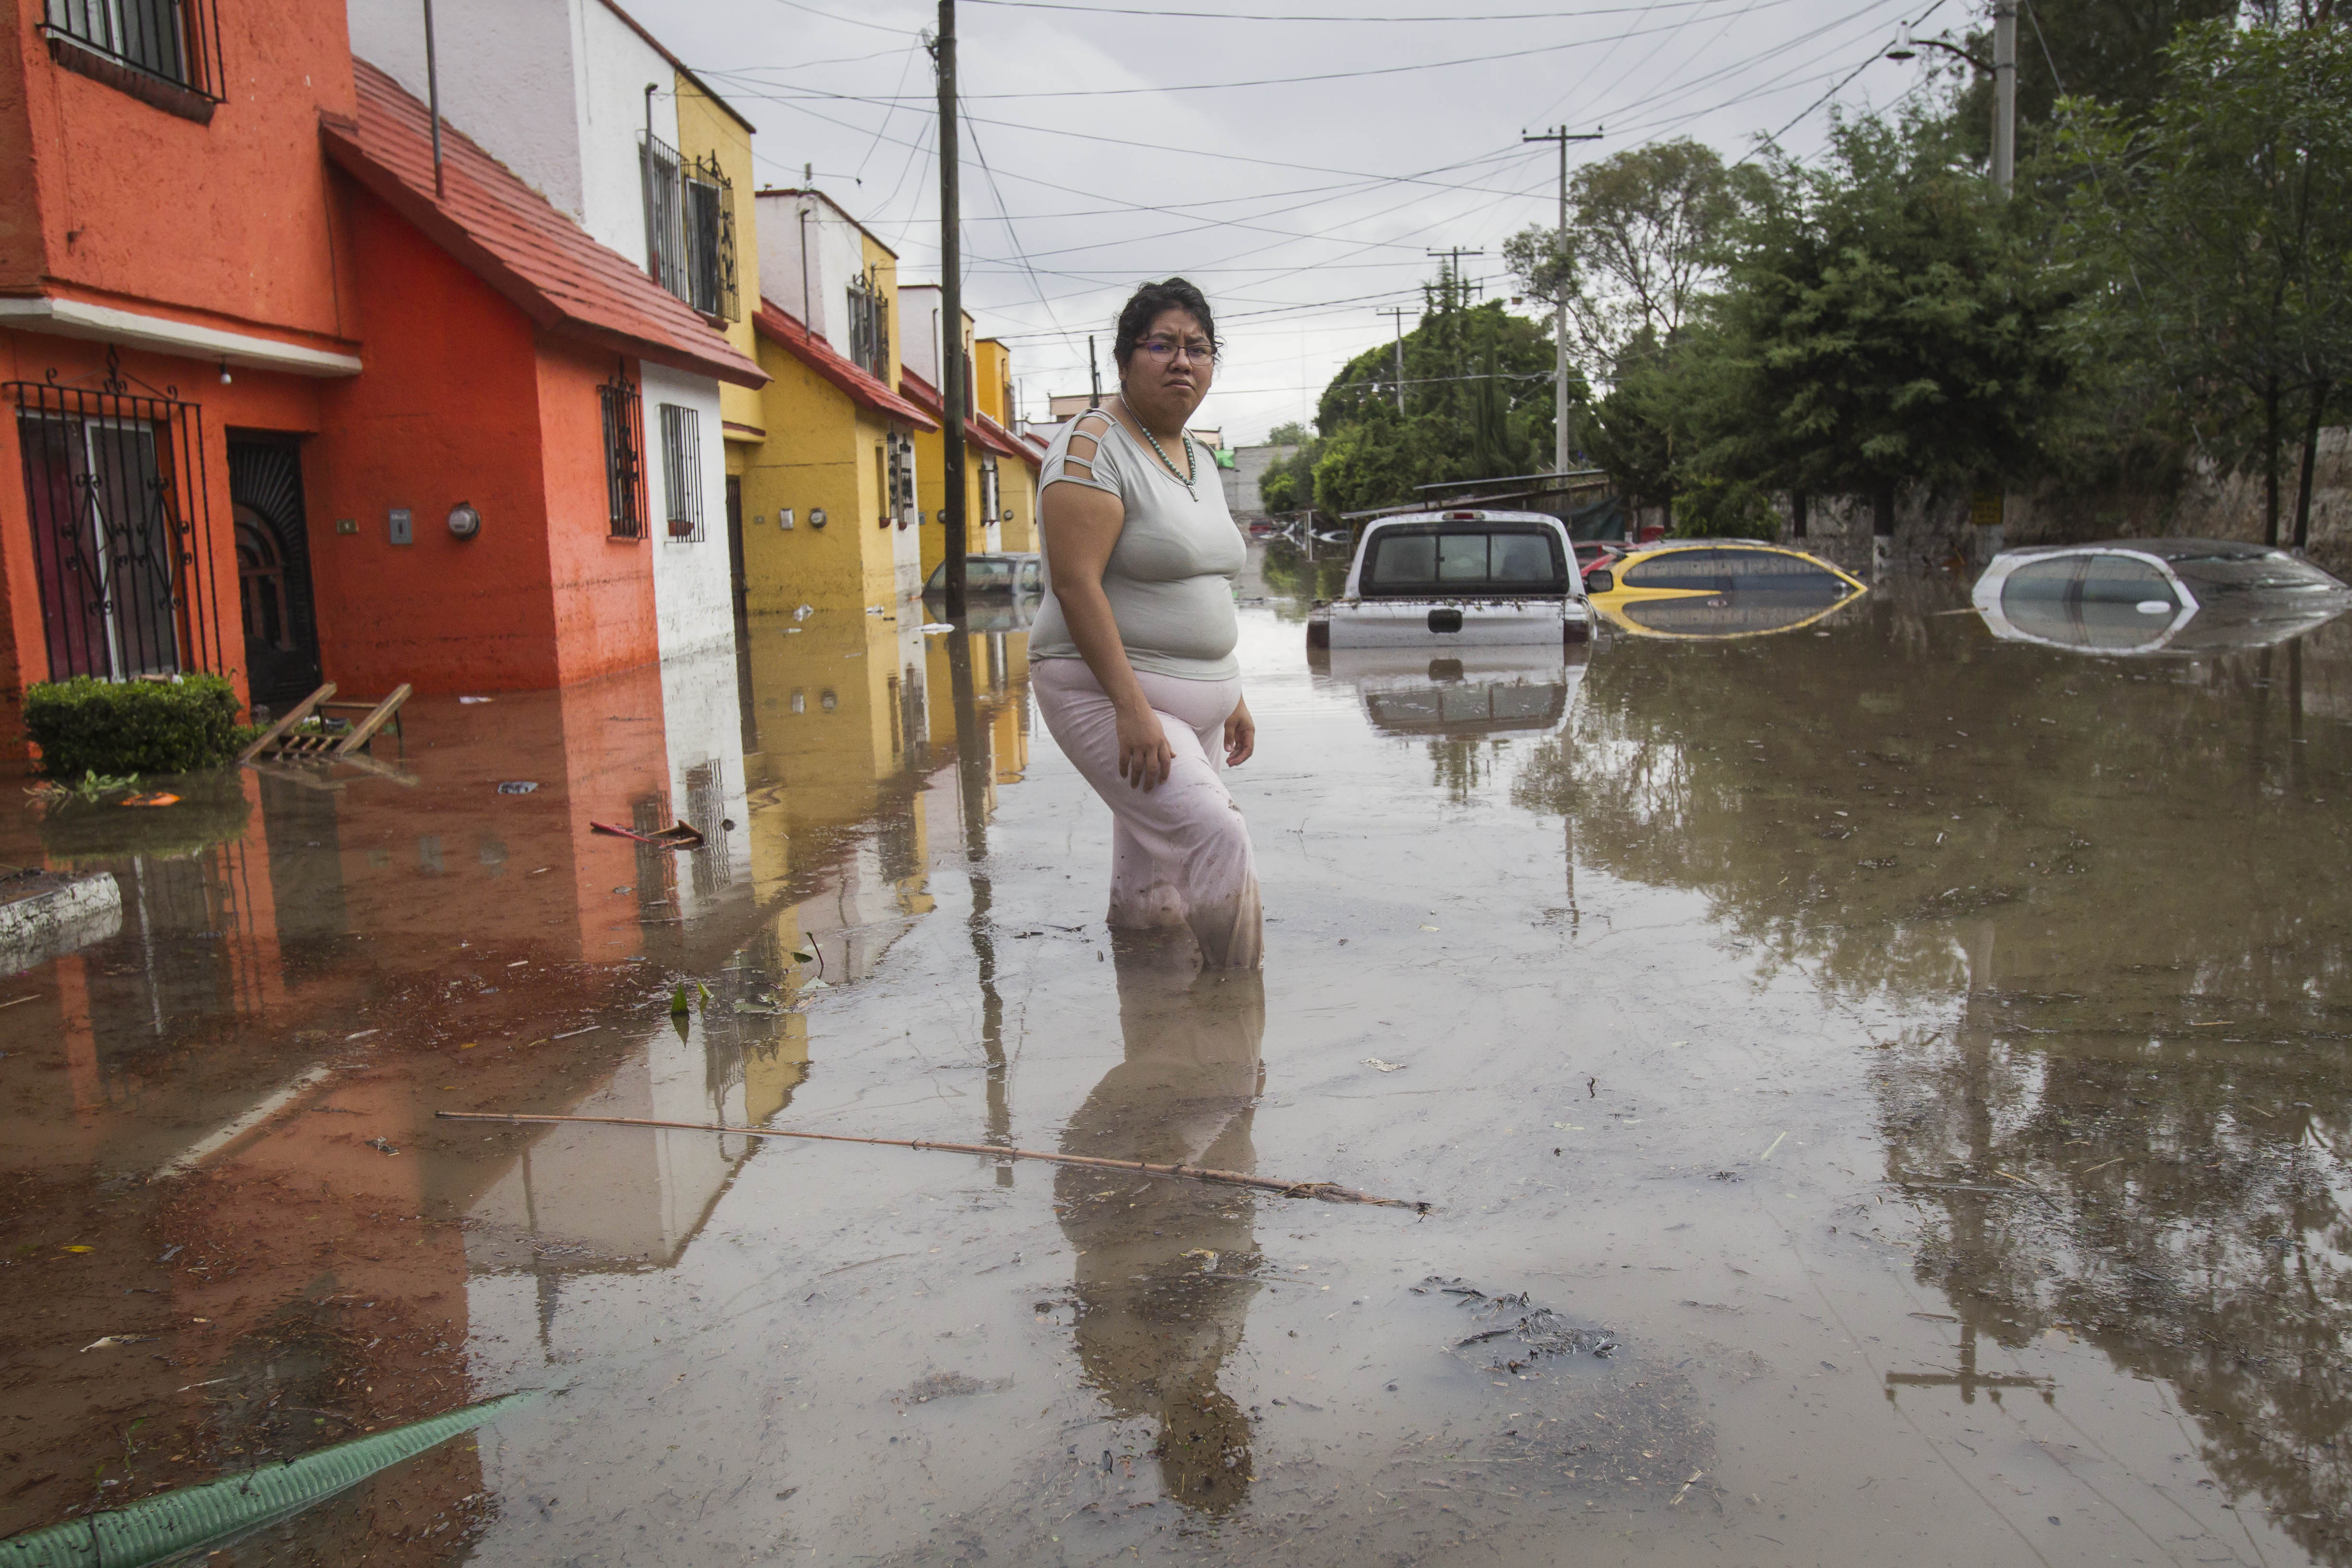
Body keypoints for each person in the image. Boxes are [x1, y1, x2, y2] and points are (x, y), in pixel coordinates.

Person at [1028, 279, 1261, 970]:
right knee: (1218, 835)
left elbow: (1205, 578)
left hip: (1197, 702)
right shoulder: (1092, 448)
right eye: (1162, 345)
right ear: (1126, 360)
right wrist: (1132, 708)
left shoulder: (1194, 456)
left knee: (1154, 888)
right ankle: (1236, 1009)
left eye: (1198, 347)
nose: (1182, 361)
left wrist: (1233, 690)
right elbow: (1075, 584)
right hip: (1103, 692)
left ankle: (1156, 1039)